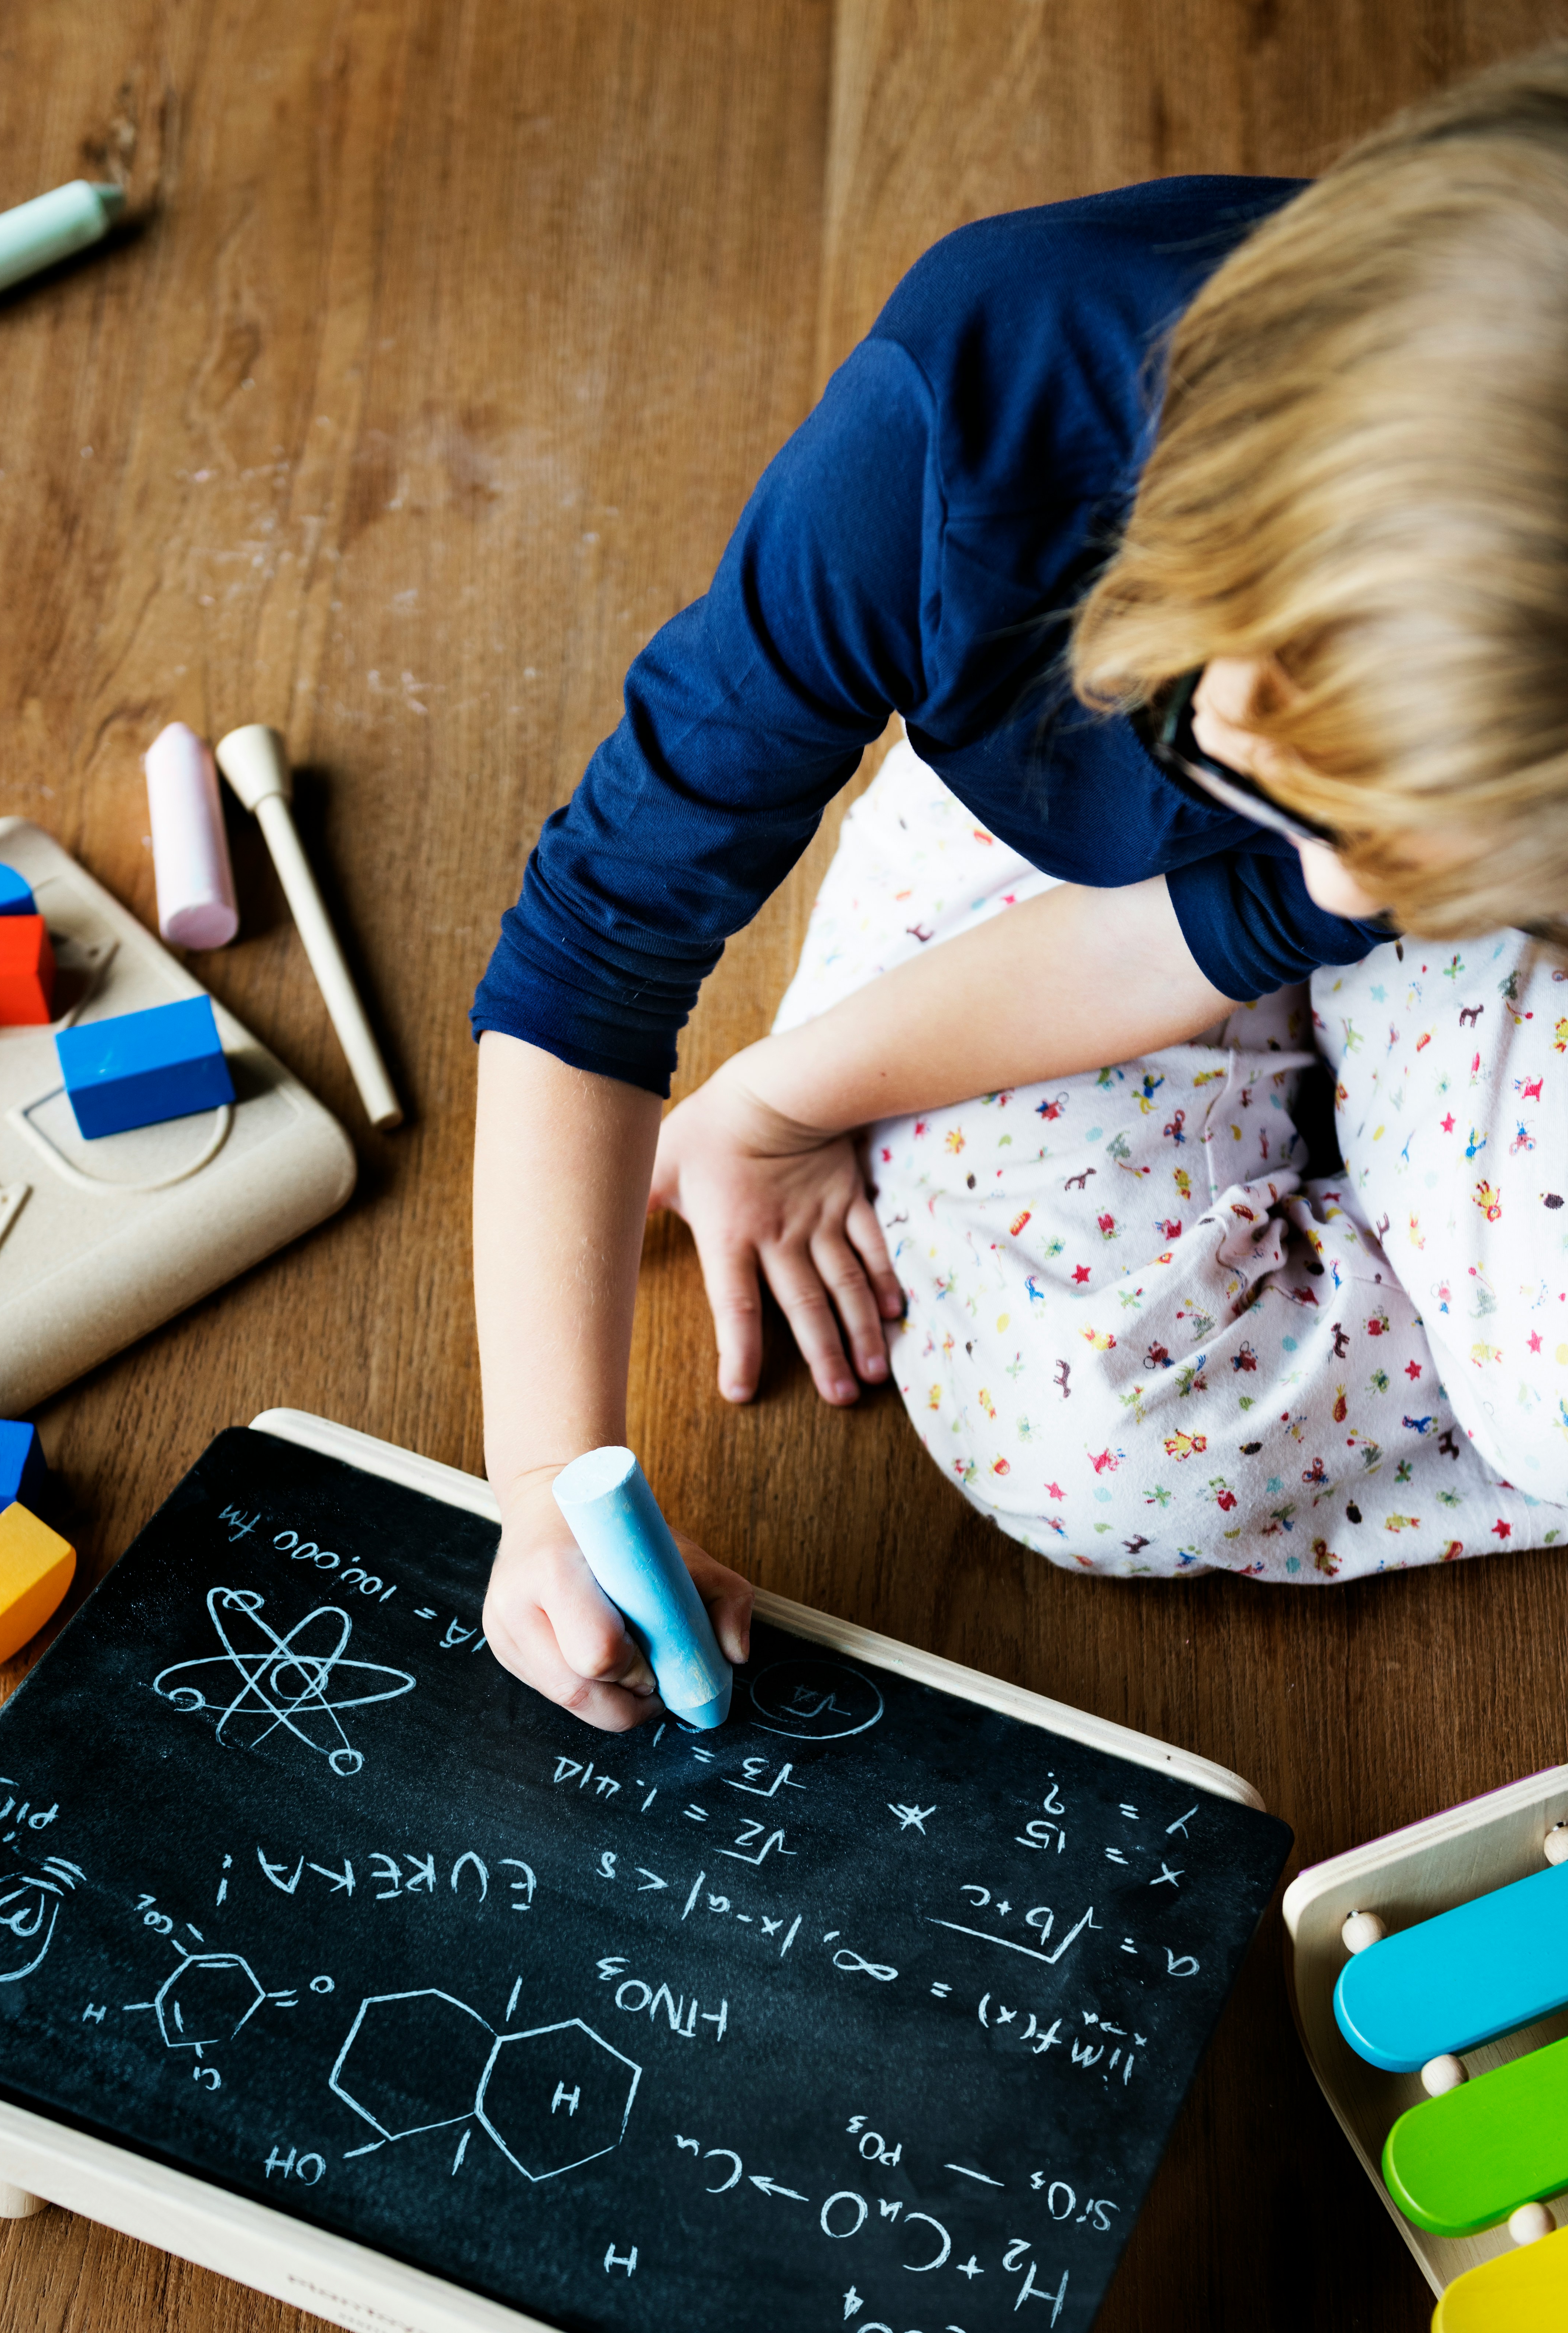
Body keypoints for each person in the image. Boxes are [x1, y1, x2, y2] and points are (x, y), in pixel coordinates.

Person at [471, 50, 1568, 1730]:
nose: (1335, 880)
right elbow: (597, 936)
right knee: (1088, 1436)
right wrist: (548, 1475)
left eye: (1401, 851)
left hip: (1453, 843)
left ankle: (1453, 1232)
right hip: (1056, 827)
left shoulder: (1445, 791)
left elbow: (1283, 902)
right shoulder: (960, 429)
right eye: (1304, 794)